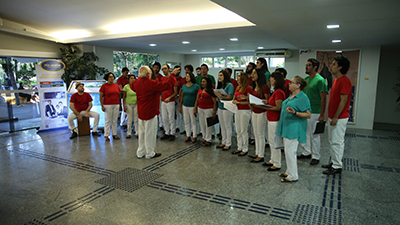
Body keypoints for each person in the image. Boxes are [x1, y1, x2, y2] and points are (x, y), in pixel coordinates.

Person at [132, 66, 174, 159]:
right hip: (150, 111)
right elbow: (166, 86)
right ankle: (150, 153)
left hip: (141, 112)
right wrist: (172, 75)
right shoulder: (150, 83)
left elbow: (132, 86)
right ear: (148, 74)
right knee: (150, 134)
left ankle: (140, 152)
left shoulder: (136, 83)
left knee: (142, 133)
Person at [276, 76, 311, 182]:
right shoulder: (291, 95)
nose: (289, 84)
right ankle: (288, 171)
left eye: (292, 82)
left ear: (298, 85)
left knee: (291, 151)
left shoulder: (302, 97)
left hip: (294, 128)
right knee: (287, 151)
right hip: (287, 126)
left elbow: (308, 114)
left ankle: (293, 176)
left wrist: (295, 113)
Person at [322, 55, 352, 175]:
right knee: (331, 140)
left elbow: (343, 100)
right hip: (333, 116)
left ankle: (337, 166)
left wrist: (336, 117)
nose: (331, 66)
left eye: (334, 64)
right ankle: (334, 162)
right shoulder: (335, 80)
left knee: (337, 141)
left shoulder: (345, 81)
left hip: (339, 117)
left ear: (340, 67)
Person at [298, 59, 328, 165]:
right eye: (306, 65)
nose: (306, 67)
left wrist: (322, 115)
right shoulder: (306, 80)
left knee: (314, 135)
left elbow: (323, 99)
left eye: (309, 65)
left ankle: (316, 156)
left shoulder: (320, 80)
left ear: (315, 67)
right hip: (305, 111)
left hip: (315, 111)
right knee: (305, 132)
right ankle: (306, 152)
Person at [263, 72, 286, 171]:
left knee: (275, 142)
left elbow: (278, 107)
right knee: (271, 141)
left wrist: (266, 107)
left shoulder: (279, 92)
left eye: (272, 78)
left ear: (277, 80)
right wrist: (267, 102)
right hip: (271, 119)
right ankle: (272, 159)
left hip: (275, 120)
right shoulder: (275, 91)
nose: (270, 80)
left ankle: (277, 163)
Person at [248, 68, 270, 163]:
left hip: (262, 112)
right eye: (252, 73)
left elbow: (268, 101)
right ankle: (257, 152)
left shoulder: (264, 87)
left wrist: (261, 103)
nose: (252, 75)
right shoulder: (254, 87)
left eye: (254, 73)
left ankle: (261, 155)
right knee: (256, 133)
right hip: (254, 111)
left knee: (260, 134)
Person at [232, 72, 252, 156]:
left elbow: (250, 102)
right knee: (238, 130)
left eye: (239, 76)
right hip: (238, 110)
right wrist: (235, 101)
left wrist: (239, 101)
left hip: (245, 110)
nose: (238, 77)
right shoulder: (237, 87)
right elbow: (234, 99)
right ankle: (239, 147)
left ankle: (245, 148)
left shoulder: (248, 88)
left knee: (244, 130)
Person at [214, 70, 234, 151]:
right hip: (220, 107)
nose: (219, 77)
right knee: (222, 125)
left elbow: (229, 97)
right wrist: (217, 97)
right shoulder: (220, 86)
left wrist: (220, 96)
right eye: (219, 75)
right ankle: (223, 141)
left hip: (227, 108)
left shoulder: (230, 85)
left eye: (221, 75)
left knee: (227, 125)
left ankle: (228, 143)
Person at [194, 77, 217, 147]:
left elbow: (215, 102)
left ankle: (208, 139)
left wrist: (214, 111)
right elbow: (197, 99)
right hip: (200, 108)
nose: (202, 83)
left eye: (204, 82)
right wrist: (195, 108)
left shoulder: (211, 90)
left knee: (208, 125)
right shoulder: (200, 89)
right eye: (202, 82)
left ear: (207, 82)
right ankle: (204, 137)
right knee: (202, 124)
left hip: (209, 109)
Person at [179, 72, 200, 143]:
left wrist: (196, 107)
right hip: (185, 105)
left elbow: (198, 97)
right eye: (186, 76)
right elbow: (182, 96)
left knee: (193, 121)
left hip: (192, 106)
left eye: (188, 76)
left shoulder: (196, 86)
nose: (186, 77)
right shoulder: (184, 86)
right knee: (186, 121)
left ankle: (194, 136)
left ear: (191, 77)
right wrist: (180, 106)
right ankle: (188, 135)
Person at [100, 72, 121, 142]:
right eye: (110, 77)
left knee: (115, 120)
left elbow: (119, 95)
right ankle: (106, 135)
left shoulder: (116, 86)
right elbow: (101, 97)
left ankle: (114, 134)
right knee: (108, 120)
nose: (111, 78)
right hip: (107, 104)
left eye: (112, 77)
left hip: (116, 104)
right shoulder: (104, 86)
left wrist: (120, 104)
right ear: (107, 78)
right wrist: (102, 105)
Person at [160, 64, 178, 141]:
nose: (164, 70)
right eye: (163, 69)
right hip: (163, 101)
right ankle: (167, 132)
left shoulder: (173, 79)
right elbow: (161, 88)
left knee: (171, 117)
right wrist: (161, 96)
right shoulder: (162, 79)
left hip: (170, 101)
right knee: (164, 117)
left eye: (165, 69)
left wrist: (169, 97)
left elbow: (175, 92)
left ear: (168, 69)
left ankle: (172, 133)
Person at [173, 65, 185, 133]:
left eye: (178, 70)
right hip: (172, 97)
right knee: (171, 113)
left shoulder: (181, 79)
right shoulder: (171, 78)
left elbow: (181, 89)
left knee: (178, 113)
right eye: (176, 70)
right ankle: (172, 127)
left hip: (178, 97)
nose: (177, 71)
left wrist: (179, 96)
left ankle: (177, 126)